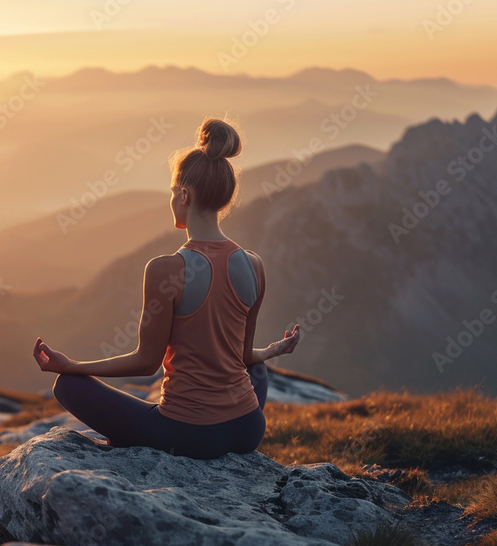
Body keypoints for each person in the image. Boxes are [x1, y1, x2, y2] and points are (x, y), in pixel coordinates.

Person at [32, 117, 301, 460]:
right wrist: (274, 350)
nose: (172, 199)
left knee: (68, 387)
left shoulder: (166, 270)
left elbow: (146, 363)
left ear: (185, 196)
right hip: (248, 429)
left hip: (187, 436)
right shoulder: (254, 265)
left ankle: (129, 440)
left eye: (173, 192)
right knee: (256, 370)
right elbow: (245, 358)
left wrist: (70, 365)